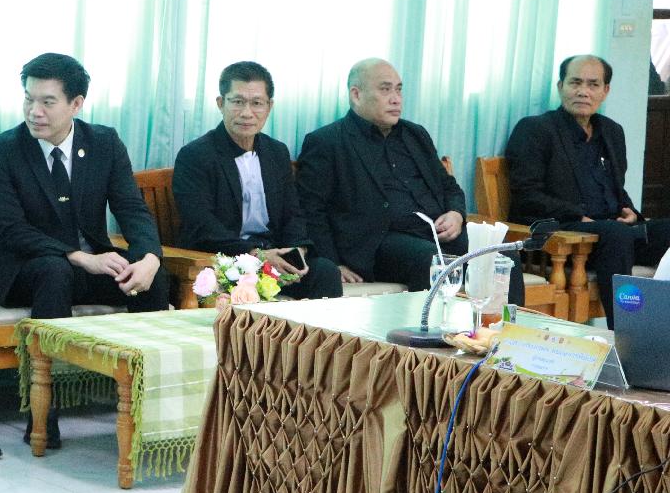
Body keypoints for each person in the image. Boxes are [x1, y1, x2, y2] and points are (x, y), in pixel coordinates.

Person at [0, 52, 169, 448]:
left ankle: (149, 409)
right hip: (29, 271)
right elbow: (11, 227)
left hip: (89, 268)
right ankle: (43, 414)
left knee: (153, 279)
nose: (34, 111)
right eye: (29, 99)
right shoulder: (2, 149)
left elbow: (131, 208)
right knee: (55, 271)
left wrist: (150, 258)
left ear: (76, 104)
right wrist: (78, 256)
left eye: (47, 102)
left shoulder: (103, 142)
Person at [297, 57, 525, 303]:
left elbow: (448, 186)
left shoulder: (415, 135)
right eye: (385, 90)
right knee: (431, 259)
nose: (396, 99)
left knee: (500, 251)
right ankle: (433, 327)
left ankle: (506, 325)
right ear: (356, 94)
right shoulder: (328, 141)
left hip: (436, 233)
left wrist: (456, 214)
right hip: (378, 243)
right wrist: (333, 263)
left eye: (399, 90)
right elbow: (312, 210)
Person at [505, 54, 670, 327]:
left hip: (612, 233)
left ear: (605, 91)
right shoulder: (536, 130)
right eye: (575, 82)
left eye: (593, 84)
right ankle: (625, 334)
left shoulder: (611, 132)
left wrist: (629, 211)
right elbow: (526, 196)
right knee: (615, 234)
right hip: (564, 236)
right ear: (561, 86)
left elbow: (616, 188)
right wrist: (578, 216)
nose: (583, 91)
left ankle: (661, 330)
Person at [173, 61, 341, 299]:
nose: (246, 113)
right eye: (237, 101)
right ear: (220, 103)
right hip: (223, 260)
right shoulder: (195, 155)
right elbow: (201, 225)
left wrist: (297, 249)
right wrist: (256, 255)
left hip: (272, 257)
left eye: (257, 103)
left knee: (325, 271)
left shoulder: (276, 152)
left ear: (269, 106)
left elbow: (292, 214)